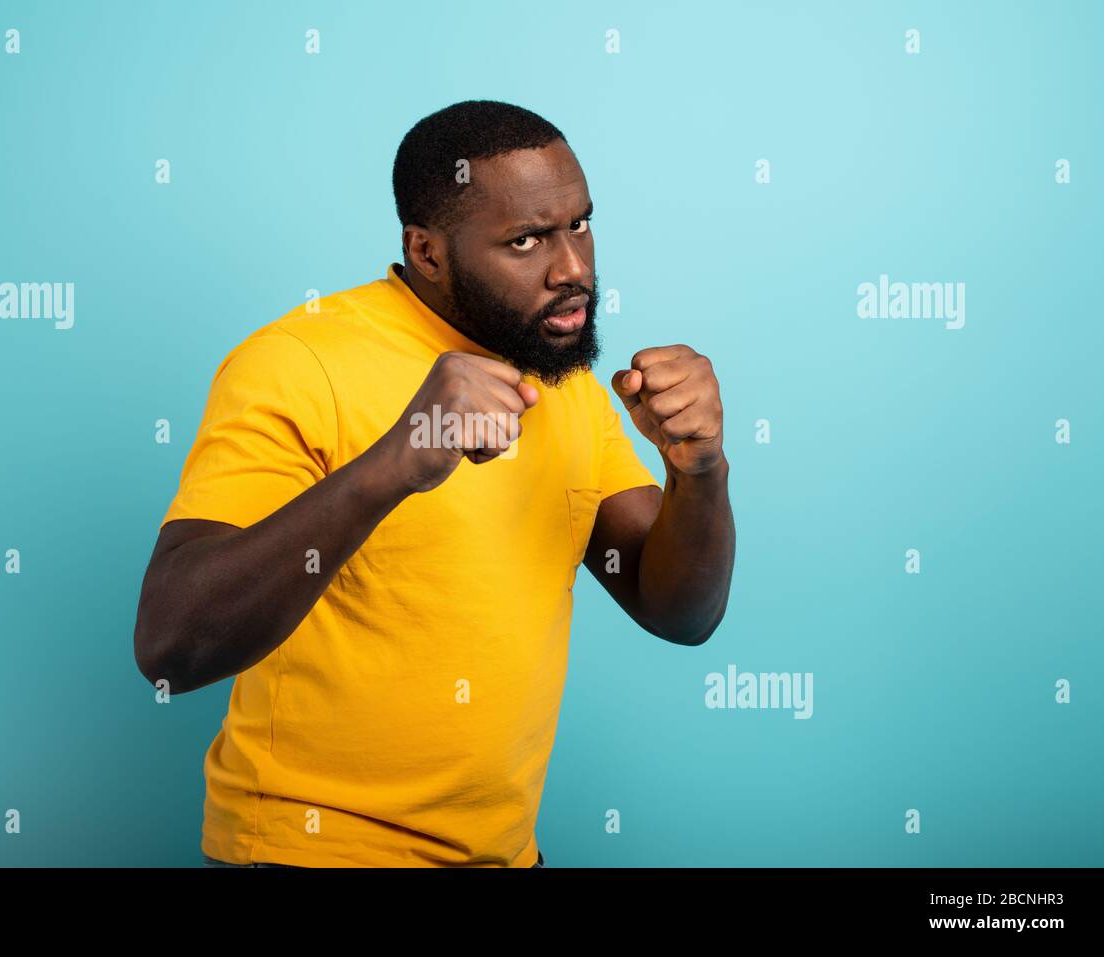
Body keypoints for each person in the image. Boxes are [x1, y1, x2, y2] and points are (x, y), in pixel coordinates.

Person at [133, 100, 735, 868]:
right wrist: (396, 462)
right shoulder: (295, 362)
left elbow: (679, 608)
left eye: (579, 225)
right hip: (312, 853)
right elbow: (169, 645)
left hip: (508, 855)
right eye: (526, 240)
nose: (573, 269)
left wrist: (700, 468)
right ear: (427, 250)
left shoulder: (567, 379)